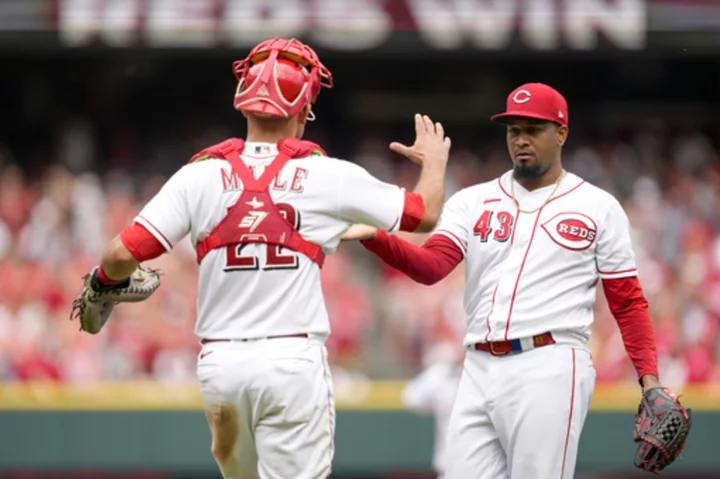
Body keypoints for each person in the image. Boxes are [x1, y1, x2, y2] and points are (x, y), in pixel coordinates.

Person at [88, 37, 451, 479]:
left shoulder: (198, 174)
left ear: (244, 105)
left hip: (221, 368)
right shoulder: (326, 175)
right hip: (290, 362)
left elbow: (121, 252)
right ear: (303, 112)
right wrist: (433, 162)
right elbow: (423, 215)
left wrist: (104, 285)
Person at [342, 83, 677, 478]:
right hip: (479, 364)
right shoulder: (473, 200)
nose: (521, 139)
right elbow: (432, 267)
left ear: (561, 133)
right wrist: (377, 238)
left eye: (533, 129)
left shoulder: (599, 207)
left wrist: (650, 381)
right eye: (513, 129)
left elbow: (627, 302)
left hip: (550, 362)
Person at [401, 342, 463, 479]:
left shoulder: (488, 373)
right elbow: (410, 397)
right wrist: (443, 370)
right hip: (449, 468)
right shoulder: (444, 375)